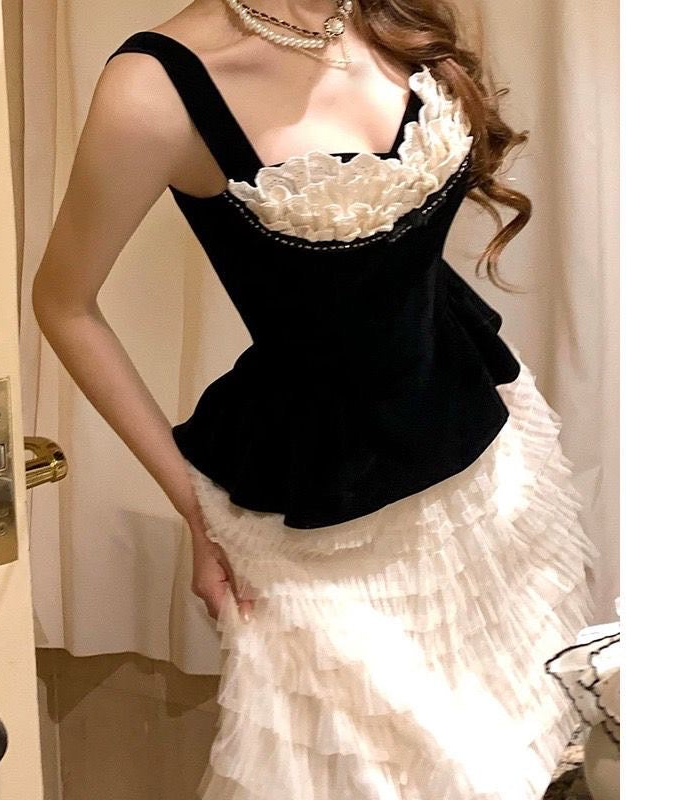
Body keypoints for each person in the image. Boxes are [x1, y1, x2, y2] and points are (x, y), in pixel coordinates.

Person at [32, 1, 600, 797]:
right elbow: (63, 302)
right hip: (318, 520)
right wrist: (196, 510)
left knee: (532, 756)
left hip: (487, 470)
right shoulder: (155, 87)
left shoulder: (389, 16)